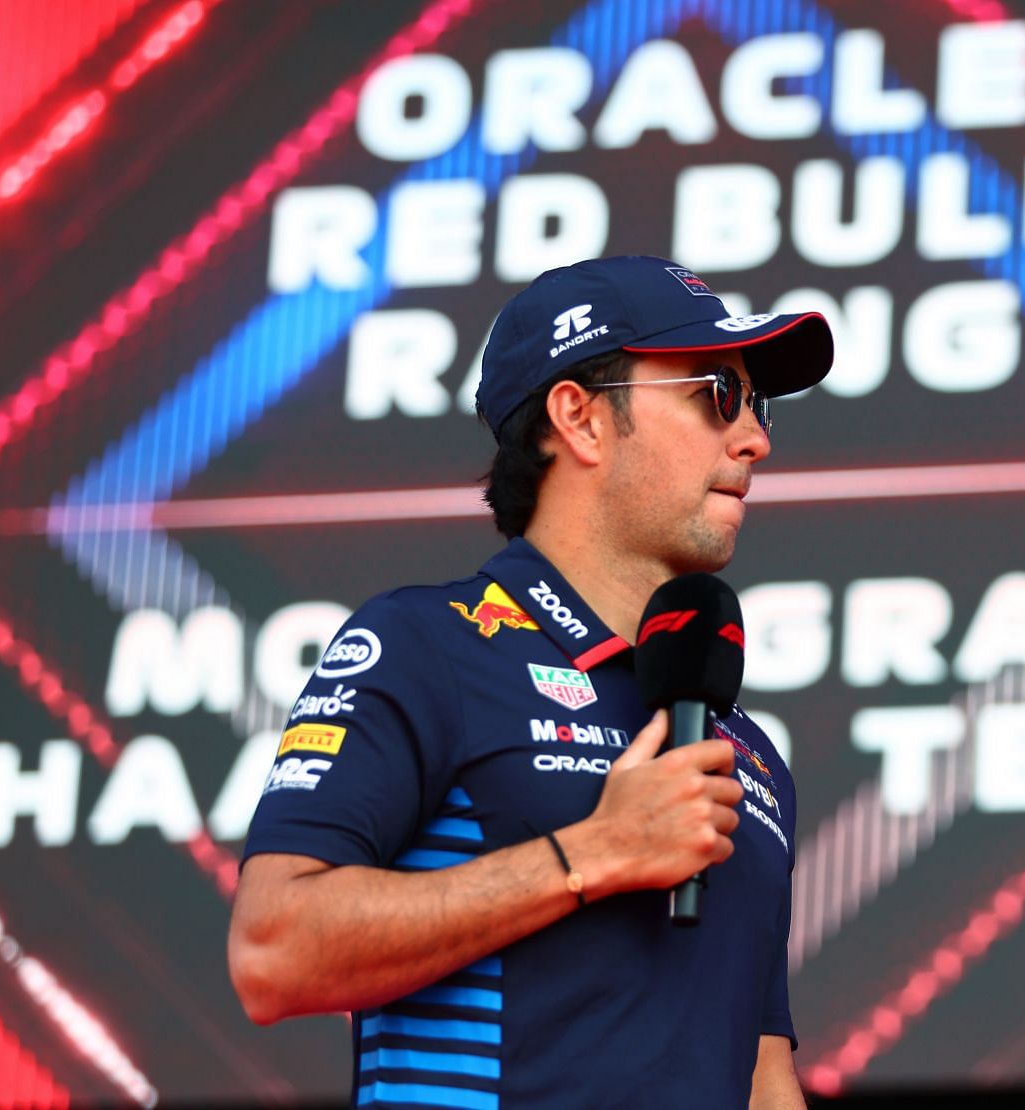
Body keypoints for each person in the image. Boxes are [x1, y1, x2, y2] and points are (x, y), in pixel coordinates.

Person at [228, 255, 832, 1108]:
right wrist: (593, 852)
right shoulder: (426, 645)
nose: (754, 439)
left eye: (756, 404)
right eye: (715, 396)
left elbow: (765, 1078)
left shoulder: (747, 752)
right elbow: (273, 954)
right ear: (580, 419)